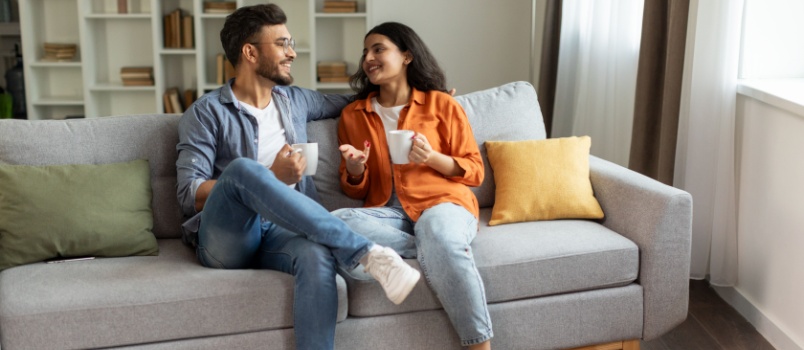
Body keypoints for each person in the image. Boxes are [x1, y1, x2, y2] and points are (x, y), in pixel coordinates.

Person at [175, 5, 420, 350]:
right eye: (282, 44)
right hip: (228, 237)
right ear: (250, 52)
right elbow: (188, 193)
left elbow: (359, 100)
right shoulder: (206, 113)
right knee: (245, 170)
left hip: (282, 231)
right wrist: (271, 176)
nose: (292, 52)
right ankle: (366, 253)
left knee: (317, 256)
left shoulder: (294, 101)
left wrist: (428, 97)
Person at [332, 22, 493, 350]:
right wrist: (354, 169)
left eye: (378, 49)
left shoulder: (442, 105)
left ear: (406, 56)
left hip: (442, 204)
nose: (368, 58)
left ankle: (479, 346)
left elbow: (475, 172)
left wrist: (432, 157)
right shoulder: (353, 115)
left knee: (436, 227)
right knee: (336, 221)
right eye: (365, 52)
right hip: (388, 212)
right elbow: (356, 192)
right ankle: (437, 248)